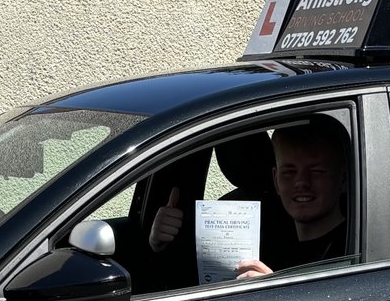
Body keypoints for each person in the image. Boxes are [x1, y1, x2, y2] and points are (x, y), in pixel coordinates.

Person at [148, 120, 348, 281]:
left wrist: (276, 294)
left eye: (316, 171)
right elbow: (193, 280)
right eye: (289, 172)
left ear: (343, 179)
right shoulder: (258, 234)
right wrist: (160, 245)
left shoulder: (354, 248)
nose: (301, 182)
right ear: (276, 181)